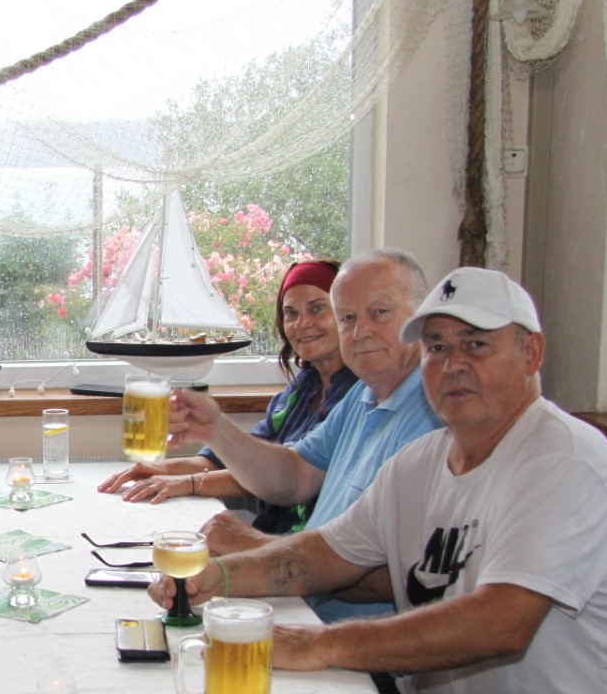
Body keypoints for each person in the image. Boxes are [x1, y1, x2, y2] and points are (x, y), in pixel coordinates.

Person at [154, 267, 607, 694]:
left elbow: (500, 624)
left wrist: (319, 644)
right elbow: (323, 554)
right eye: (436, 348)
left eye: (476, 344)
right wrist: (214, 578)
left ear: (531, 353)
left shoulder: (563, 459)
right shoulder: (424, 460)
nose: (452, 364)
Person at [113, 249, 442, 622]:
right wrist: (215, 429)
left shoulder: (437, 415)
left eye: (379, 312)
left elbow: (401, 578)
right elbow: (296, 474)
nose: (360, 331)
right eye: (348, 317)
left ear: (423, 318)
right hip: (300, 606)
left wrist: (254, 546)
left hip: (354, 640)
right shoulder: (363, 394)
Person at [97, 259, 357, 534]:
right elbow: (233, 459)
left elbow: (281, 476)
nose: (302, 323)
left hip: (302, 543)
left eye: (317, 309)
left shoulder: (358, 397)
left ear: (347, 315)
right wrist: (159, 469)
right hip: (268, 536)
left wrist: (188, 483)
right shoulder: (299, 392)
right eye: (291, 313)